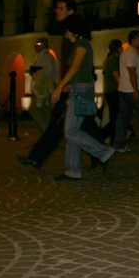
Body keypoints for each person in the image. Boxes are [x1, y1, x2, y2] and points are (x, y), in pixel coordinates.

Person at [18, 0, 104, 169]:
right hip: (70, 86)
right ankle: (99, 157)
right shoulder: (67, 35)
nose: (56, 11)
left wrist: (62, 87)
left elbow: (77, 65)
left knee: (60, 124)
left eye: (60, 8)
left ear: (70, 11)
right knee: (84, 124)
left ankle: (37, 157)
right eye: (56, 8)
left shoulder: (76, 38)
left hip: (72, 87)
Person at [50, 14, 114, 180]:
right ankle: (72, 170)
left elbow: (76, 68)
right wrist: (68, 87)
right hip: (79, 89)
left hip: (82, 91)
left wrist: (59, 86)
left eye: (67, 32)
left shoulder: (83, 44)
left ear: (74, 31)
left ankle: (104, 152)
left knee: (70, 131)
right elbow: (83, 71)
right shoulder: (80, 44)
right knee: (73, 131)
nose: (66, 35)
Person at [29, 37, 57, 133]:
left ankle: (47, 132)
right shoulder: (41, 55)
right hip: (44, 87)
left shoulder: (45, 56)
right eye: (35, 44)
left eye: (38, 44)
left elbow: (48, 71)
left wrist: (36, 71)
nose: (36, 46)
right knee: (44, 110)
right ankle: (50, 131)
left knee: (35, 110)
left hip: (43, 87)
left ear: (44, 45)